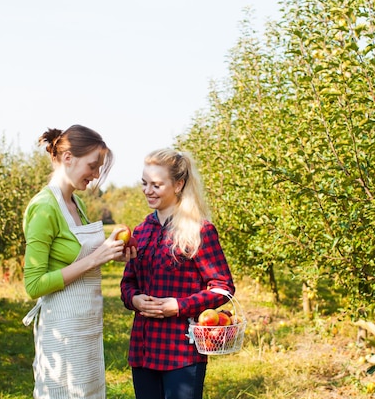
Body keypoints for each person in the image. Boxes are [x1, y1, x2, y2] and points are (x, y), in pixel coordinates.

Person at [22, 125, 135, 399]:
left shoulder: (76, 204)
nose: (96, 175)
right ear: (68, 157)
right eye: (92, 165)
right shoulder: (44, 208)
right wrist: (95, 258)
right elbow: (34, 284)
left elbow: (77, 259)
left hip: (87, 325)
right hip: (62, 327)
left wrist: (111, 253)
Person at [120, 148, 235, 399]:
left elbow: (223, 287)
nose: (148, 190)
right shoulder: (141, 232)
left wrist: (179, 306)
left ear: (179, 184)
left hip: (181, 348)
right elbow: (128, 282)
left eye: (157, 185)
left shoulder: (198, 230)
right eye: (145, 183)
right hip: (143, 347)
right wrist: (134, 299)